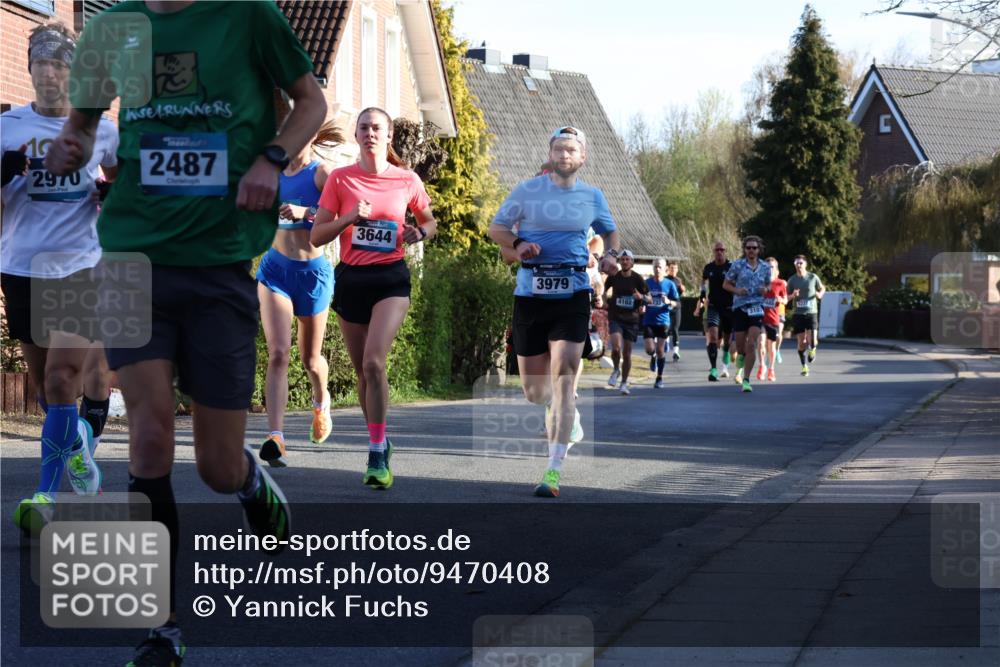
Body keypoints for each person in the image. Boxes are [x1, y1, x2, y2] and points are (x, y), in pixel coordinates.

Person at [45, 1, 327, 663]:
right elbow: (84, 122)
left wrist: (272, 157)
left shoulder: (249, 15)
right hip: (129, 252)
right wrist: (74, 142)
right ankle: (161, 624)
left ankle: (251, 483)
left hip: (218, 260)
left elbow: (311, 101)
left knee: (217, 466)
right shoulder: (112, 27)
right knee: (145, 437)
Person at [3, 23, 116, 533]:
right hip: (21, 266)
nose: (48, 73)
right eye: (40, 63)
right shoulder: (6, 128)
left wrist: (115, 198)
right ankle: (77, 449)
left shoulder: (101, 130)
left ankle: (45, 496)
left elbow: (130, 188)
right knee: (49, 394)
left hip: (79, 266)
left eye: (58, 64)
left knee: (60, 379)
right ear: (29, 69)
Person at [489, 126, 619, 498]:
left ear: (582, 158)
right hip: (531, 293)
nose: (563, 156)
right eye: (558, 149)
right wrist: (519, 245)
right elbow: (496, 232)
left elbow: (610, 235)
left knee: (564, 377)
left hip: (572, 291)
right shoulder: (527, 193)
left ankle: (553, 470)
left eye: (571, 150)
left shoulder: (592, 196)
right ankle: (568, 416)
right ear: (548, 156)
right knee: (535, 391)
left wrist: (609, 256)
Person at [311, 107, 436, 491]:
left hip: (391, 279)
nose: (370, 133)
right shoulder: (340, 179)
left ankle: (377, 451)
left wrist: (421, 233)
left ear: (389, 135)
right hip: (351, 278)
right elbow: (317, 236)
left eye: (376, 127)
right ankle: (380, 438)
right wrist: (348, 218)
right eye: (363, 127)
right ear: (356, 134)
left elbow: (429, 220)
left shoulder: (406, 179)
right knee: (363, 373)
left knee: (374, 362)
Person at [256, 119, 343, 467]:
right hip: (275, 270)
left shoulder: (321, 174)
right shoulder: (271, 174)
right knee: (278, 353)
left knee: (311, 359)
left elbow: (339, 214)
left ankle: (321, 402)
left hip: (313, 274)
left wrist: (306, 213)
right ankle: (275, 436)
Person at [723, 235, 772, 393]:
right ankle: (741, 358)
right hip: (740, 307)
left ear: (759, 250)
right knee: (740, 345)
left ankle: (746, 379)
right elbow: (726, 284)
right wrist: (737, 290)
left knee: (752, 343)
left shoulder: (765, 267)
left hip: (757, 307)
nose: (751, 250)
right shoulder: (738, 265)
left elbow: (768, 285)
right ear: (745, 249)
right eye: (748, 248)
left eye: (754, 248)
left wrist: (766, 290)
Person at [603, 249, 649, 395]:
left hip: (632, 320)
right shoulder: (614, 277)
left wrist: (640, 297)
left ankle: (623, 383)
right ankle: (616, 369)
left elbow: (650, 299)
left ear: (632, 262)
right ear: (619, 262)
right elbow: (603, 291)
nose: (624, 261)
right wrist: (604, 301)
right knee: (616, 348)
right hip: (615, 317)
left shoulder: (637, 279)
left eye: (627, 259)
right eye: (622, 259)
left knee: (627, 353)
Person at [694, 241, 733, 381]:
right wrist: (702, 294)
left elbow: (739, 281)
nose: (719, 252)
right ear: (714, 251)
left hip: (729, 307)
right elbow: (703, 281)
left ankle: (726, 354)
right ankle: (714, 369)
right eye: (717, 250)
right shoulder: (708, 267)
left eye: (722, 250)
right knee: (713, 337)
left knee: (727, 340)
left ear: (725, 251)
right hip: (713, 306)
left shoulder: (731, 266)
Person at [643, 258, 680, 388]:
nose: (657, 269)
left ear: (665, 269)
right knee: (649, 349)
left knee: (660, 350)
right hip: (648, 320)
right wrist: (644, 300)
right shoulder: (646, 283)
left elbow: (678, 303)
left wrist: (669, 302)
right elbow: (640, 298)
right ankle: (652, 356)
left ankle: (659, 378)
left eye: (659, 267)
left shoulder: (670, 284)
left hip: (663, 321)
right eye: (655, 267)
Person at [786, 255, 826, 377]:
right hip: (798, 314)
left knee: (812, 339)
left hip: (811, 312)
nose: (799, 265)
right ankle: (804, 367)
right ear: (794, 264)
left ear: (805, 264)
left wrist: (820, 294)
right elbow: (786, 297)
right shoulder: (792, 280)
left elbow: (822, 287)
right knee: (801, 343)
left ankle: (813, 350)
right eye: (797, 263)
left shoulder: (813, 277)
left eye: (801, 263)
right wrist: (793, 295)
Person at [758, 257, 787, 382]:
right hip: (760, 318)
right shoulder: (760, 282)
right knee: (761, 342)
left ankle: (771, 368)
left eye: (772, 267)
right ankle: (762, 366)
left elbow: (785, 299)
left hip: (773, 319)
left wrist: (781, 300)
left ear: (776, 270)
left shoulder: (781, 283)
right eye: (767, 267)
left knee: (771, 346)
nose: (769, 270)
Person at [665, 260, 686, 361]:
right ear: (668, 269)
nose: (673, 270)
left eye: (675, 268)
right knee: (666, 328)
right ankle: (665, 344)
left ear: (677, 270)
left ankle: (676, 352)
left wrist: (682, 289)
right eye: (671, 268)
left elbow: (680, 294)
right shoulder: (664, 280)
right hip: (666, 307)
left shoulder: (679, 280)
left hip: (676, 307)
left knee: (675, 329)